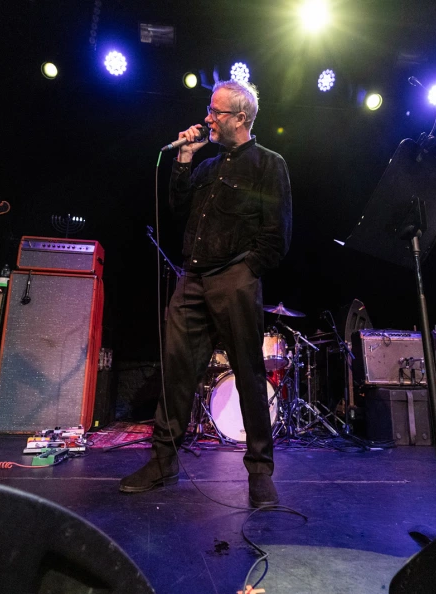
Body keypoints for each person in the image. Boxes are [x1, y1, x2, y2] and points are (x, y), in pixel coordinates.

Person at [119, 80, 292, 506]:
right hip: (192, 278)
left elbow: (277, 234)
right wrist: (184, 157)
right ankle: (163, 461)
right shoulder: (208, 166)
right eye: (209, 110)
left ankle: (259, 472)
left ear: (240, 118)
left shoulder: (269, 164)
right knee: (176, 369)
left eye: (215, 112)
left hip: (234, 277)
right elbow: (178, 211)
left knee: (249, 373)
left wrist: (246, 271)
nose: (207, 118)